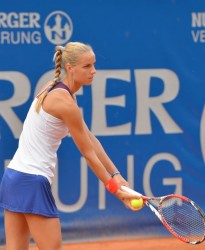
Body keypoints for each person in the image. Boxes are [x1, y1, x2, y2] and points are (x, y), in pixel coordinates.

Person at [0, 42, 142, 250]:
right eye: (86, 66)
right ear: (70, 68)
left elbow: (90, 138)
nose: (93, 71)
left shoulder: (53, 89)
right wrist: (116, 190)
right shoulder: (66, 105)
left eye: (94, 65)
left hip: (13, 178)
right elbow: (88, 154)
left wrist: (116, 174)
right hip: (32, 181)